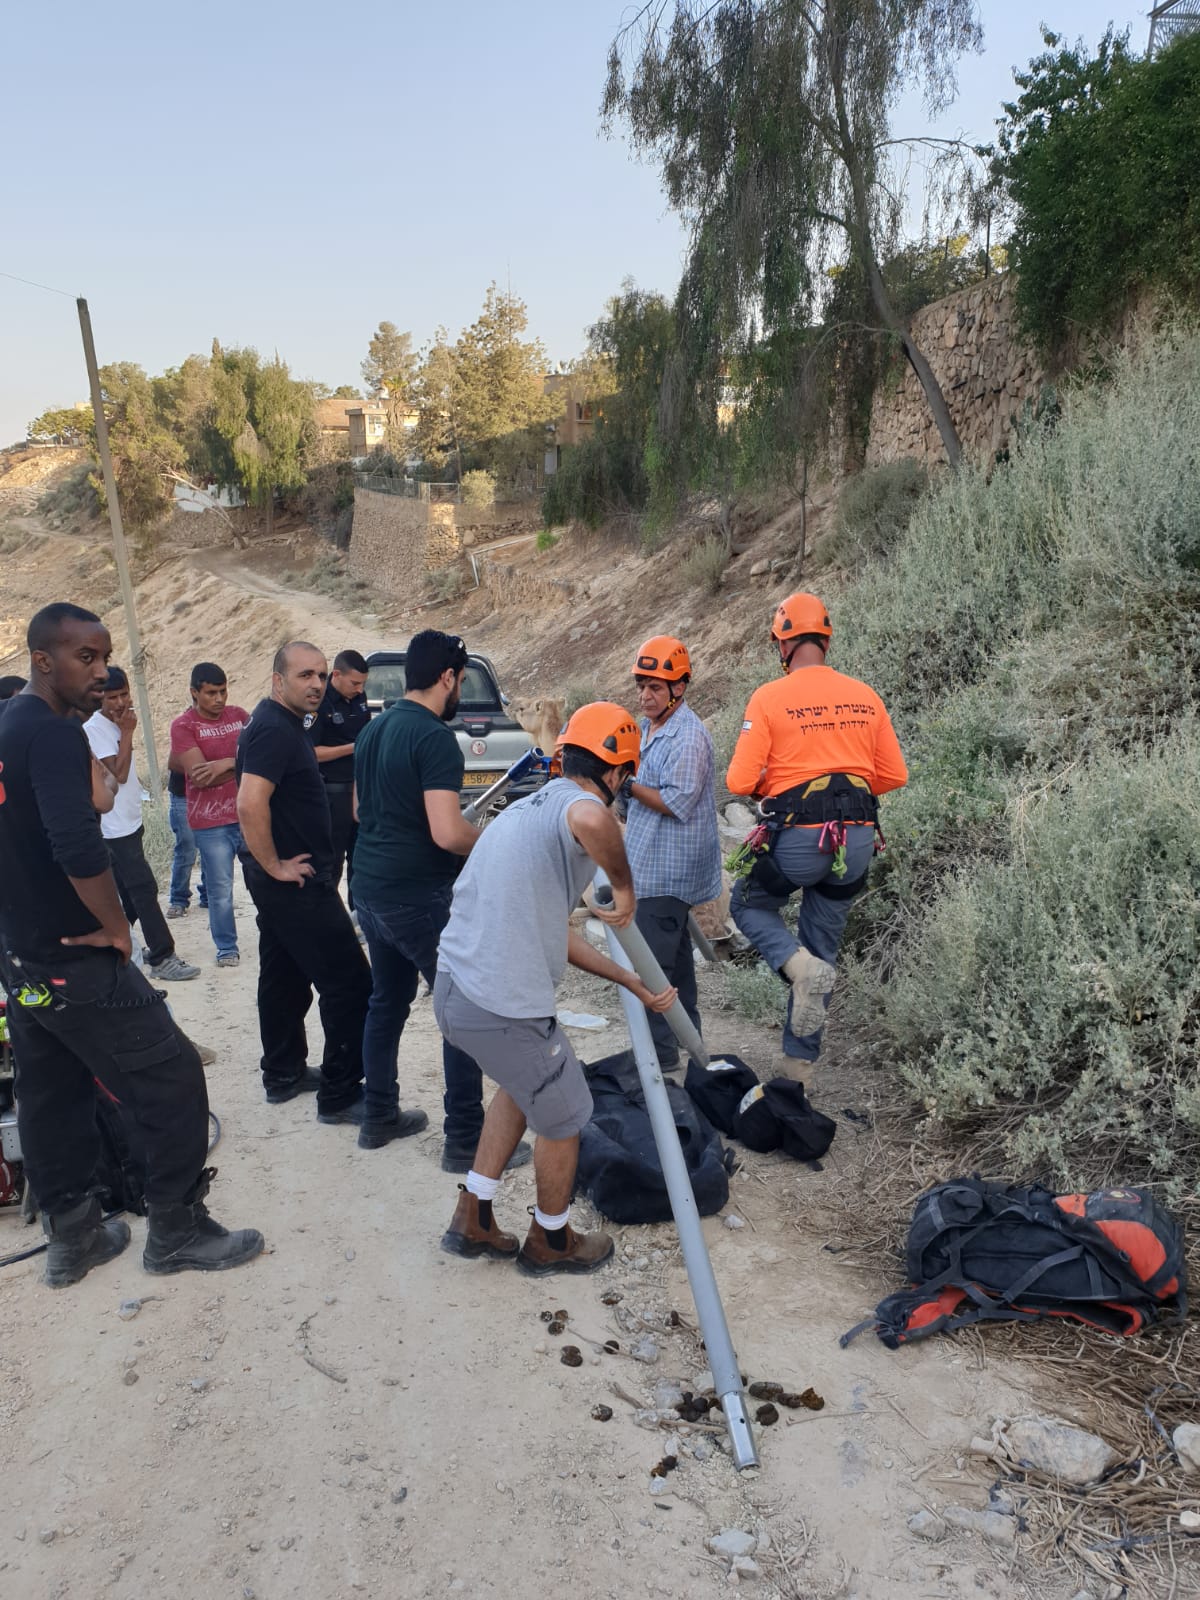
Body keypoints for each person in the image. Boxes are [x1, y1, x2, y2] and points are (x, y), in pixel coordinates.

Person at [0, 602, 263, 1286]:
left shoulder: (12, 728)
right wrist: (119, 927)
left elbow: (67, 811)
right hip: (77, 959)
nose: (99, 670)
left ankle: (74, 1237)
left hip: (23, 962)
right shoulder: (50, 737)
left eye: (104, 656)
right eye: (84, 658)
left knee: (51, 1093)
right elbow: (77, 844)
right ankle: (176, 1228)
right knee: (173, 1076)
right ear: (41, 660)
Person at [434, 702, 676, 1275]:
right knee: (565, 1115)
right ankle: (551, 1241)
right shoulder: (580, 806)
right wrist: (624, 887)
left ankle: (473, 1215)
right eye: (625, 778)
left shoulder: (527, 811)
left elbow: (555, 933)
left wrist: (628, 980)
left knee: (522, 1089)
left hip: (456, 991)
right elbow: (596, 822)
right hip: (501, 1007)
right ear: (617, 773)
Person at [352, 629, 528, 1166]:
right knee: (462, 1010)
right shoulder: (432, 738)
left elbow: (362, 812)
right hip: (417, 896)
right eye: (458, 683)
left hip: (368, 888)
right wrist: (497, 841)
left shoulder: (373, 730)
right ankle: (465, 1140)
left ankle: (378, 1116)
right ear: (449, 678)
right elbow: (449, 834)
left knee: (387, 1001)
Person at [726, 592, 907, 1078]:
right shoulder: (865, 695)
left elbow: (739, 782)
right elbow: (892, 776)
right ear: (824, 639)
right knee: (822, 948)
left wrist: (779, 785)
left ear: (783, 643)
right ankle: (797, 1072)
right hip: (858, 843)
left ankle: (794, 964)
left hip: (799, 841)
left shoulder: (769, 697)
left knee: (747, 903)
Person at [235, 641, 371, 1118]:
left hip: (285, 881)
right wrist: (274, 865)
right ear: (278, 681)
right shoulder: (274, 728)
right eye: (304, 676)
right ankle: (341, 1096)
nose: (315, 684)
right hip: (293, 882)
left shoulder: (280, 723)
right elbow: (250, 803)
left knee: (285, 977)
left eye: (320, 675)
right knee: (352, 983)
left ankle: (283, 1071)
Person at [622, 635, 722, 1074]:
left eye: (655, 688)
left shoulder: (689, 737)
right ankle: (689, 1040)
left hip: (669, 870)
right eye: (642, 686)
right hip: (648, 862)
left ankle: (662, 1055)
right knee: (676, 962)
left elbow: (677, 801)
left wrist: (624, 783)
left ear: (679, 688)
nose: (645, 695)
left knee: (653, 966)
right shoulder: (645, 730)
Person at [84, 667, 199, 982]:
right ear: (99, 699)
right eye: (112, 697)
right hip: (113, 827)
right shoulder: (95, 728)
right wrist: (130, 733)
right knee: (144, 889)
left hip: (129, 822)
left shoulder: (116, 724)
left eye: (124, 694)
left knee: (130, 893)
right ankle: (162, 956)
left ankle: (113, 950)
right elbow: (117, 776)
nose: (121, 702)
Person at [170, 664, 250, 968]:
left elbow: (262, 757)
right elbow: (201, 777)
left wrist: (225, 763)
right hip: (210, 822)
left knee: (264, 880)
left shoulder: (240, 716)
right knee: (220, 891)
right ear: (194, 692)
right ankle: (227, 947)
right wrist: (239, 766)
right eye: (211, 693)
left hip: (247, 812)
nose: (219, 698)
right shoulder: (183, 726)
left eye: (223, 691)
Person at [308, 648, 371, 906]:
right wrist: (354, 747)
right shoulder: (318, 703)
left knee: (361, 861)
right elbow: (310, 753)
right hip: (331, 794)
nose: (359, 689)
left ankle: (360, 918)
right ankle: (328, 920)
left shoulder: (359, 698)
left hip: (359, 791)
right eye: (355, 683)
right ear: (336, 675)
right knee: (331, 863)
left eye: (363, 684)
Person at [164, 763, 208, 921]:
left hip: (210, 791)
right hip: (183, 793)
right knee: (186, 849)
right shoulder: (181, 736)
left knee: (210, 846)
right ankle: (178, 899)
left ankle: (209, 895)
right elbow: (174, 761)